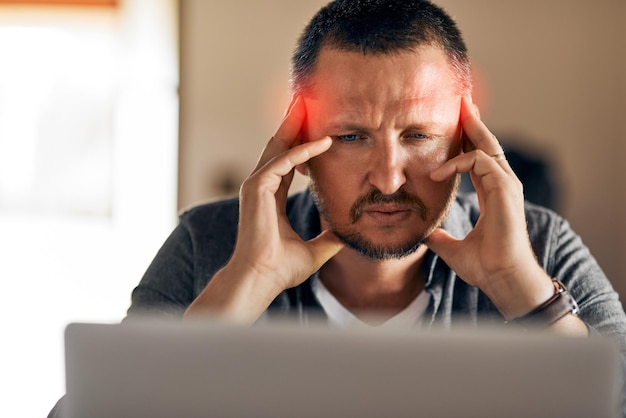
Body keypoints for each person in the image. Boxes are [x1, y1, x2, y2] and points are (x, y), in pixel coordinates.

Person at [49, 0, 626, 416]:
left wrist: (516, 285)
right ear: (298, 144)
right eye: (351, 136)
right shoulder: (209, 242)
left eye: (419, 134)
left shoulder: (538, 245)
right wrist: (246, 284)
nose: (389, 176)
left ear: (464, 138)